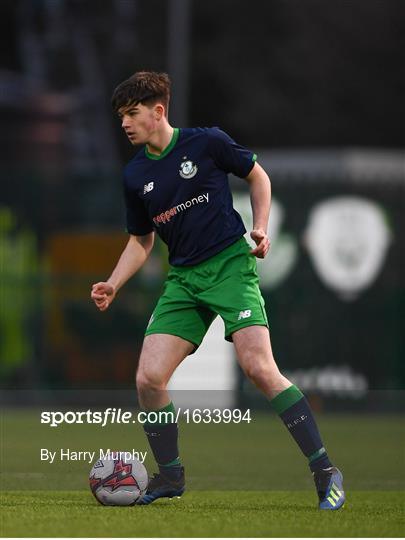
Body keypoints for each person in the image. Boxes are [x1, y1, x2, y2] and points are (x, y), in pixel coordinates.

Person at [91, 71, 345, 509]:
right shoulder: (134, 175)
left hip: (230, 267)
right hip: (184, 281)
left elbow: (258, 177)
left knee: (259, 369)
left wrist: (260, 228)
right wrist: (113, 282)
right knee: (148, 379)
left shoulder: (206, 142)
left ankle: (326, 471)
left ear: (158, 111)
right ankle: (170, 476)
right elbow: (141, 240)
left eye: (132, 114)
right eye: (121, 117)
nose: (126, 124)